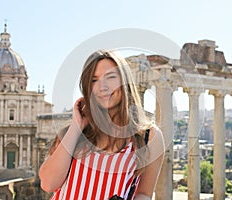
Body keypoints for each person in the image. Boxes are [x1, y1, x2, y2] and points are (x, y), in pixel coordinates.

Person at [39, 49, 164, 200]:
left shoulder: (149, 137)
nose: (102, 87)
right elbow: (48, 184)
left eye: (110, 77)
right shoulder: (73, 133)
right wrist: (76, 127)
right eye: (94, 80)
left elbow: (144, 194)